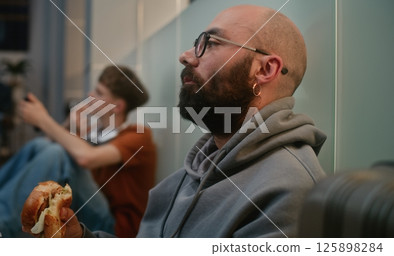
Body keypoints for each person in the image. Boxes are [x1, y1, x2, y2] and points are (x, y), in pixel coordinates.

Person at [41, 5, 327, 238]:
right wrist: (82, 239)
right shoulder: (193, 170)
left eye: (211, 43)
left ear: (265, 69)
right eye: (196, 44)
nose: (185, 56)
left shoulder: (289, 193)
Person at [0, 65, 156, 238]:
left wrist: (44, 121)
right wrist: (68, 125)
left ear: (118, 106)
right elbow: (46, 149)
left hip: (115, 229)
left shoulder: (138, 136)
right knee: (42, 146)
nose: (90, 95)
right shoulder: (96, 132)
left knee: (57, 153)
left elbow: (86, 158)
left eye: (99, 93)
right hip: (89, 207)